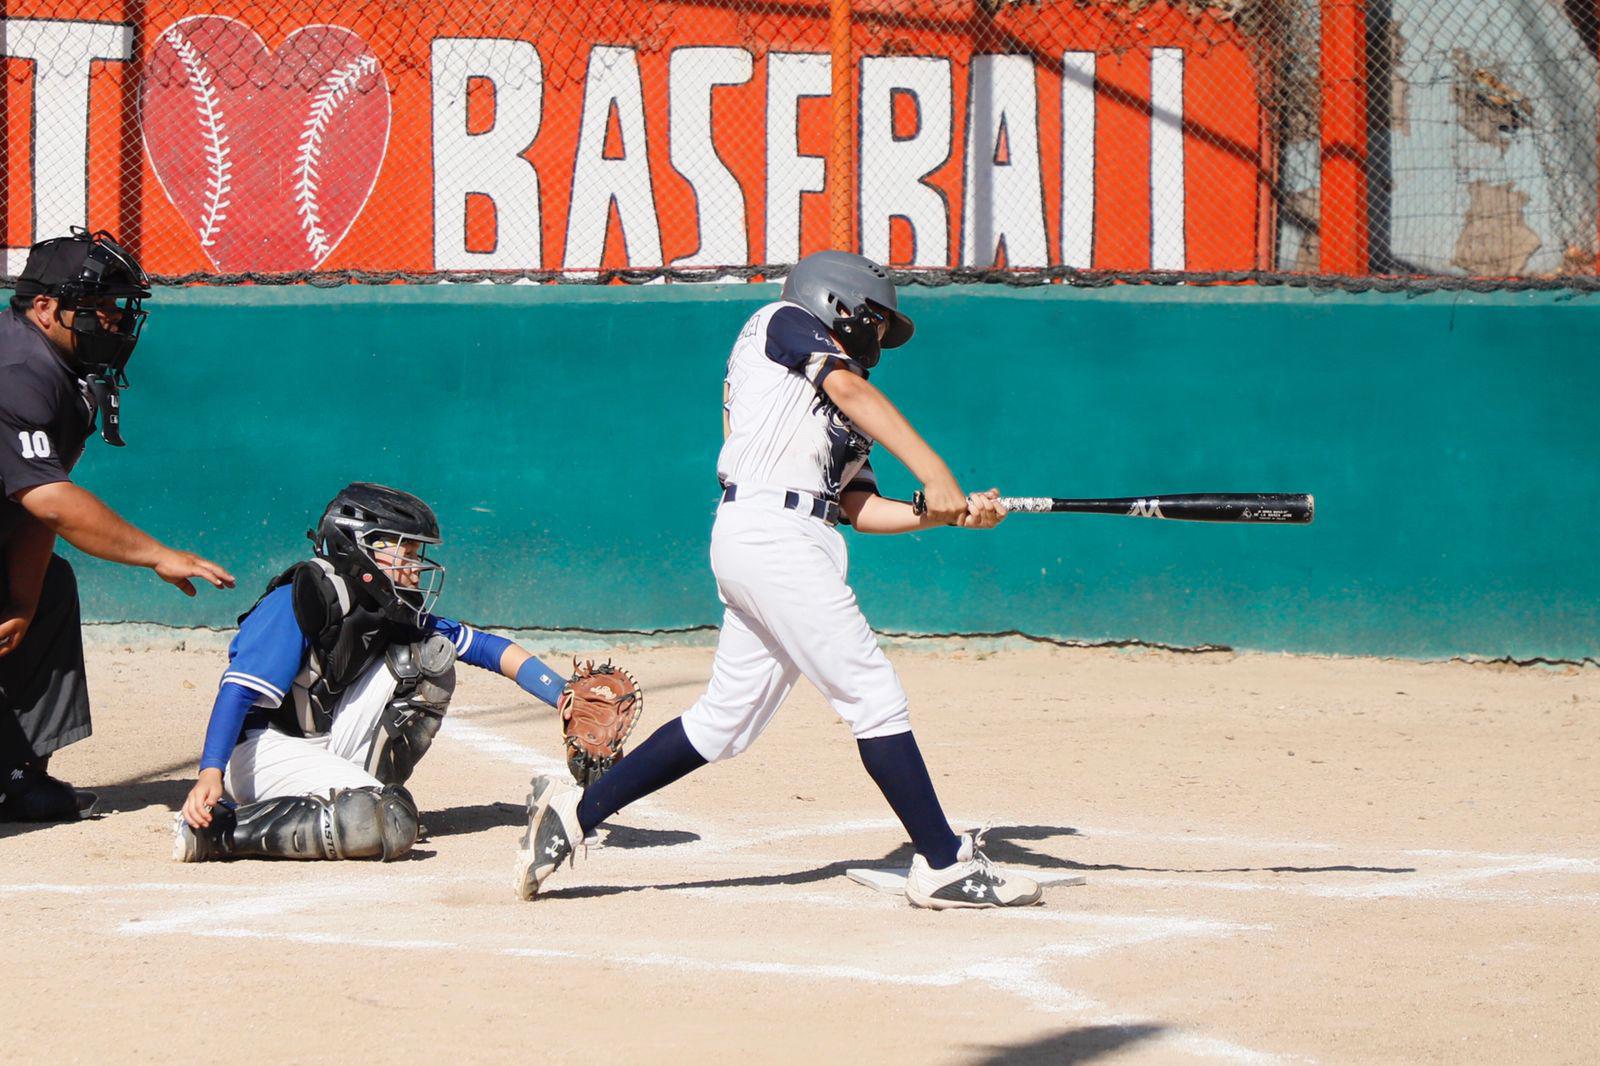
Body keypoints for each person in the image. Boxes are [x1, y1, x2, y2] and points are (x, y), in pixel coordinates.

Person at [515, 250, 1042, 909]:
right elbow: (850, 389)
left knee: (724, 722)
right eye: (873, 322)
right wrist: (937, 473)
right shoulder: (783, 321)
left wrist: (946, 515)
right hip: (772, 533)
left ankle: (574, 814)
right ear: (835, 303)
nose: (878, 339)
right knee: (872, 694)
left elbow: (860, 509)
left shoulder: (834, 406)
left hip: (791, 540)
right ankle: (942, 862)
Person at [173, 482, 577, 862]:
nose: (416, 567)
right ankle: (219, 833)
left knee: (431, 657)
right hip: (262, 753)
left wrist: (563, 694)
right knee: (385, 821)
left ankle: (359, 795)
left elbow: (485, 647)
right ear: (360, 547)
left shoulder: (384, 606)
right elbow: (237, 692)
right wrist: (211, 772)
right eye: (406, 552)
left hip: (323, 738)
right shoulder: (305, 597)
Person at [1, 229, 235, 823]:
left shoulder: (63, 372)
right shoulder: (17, 368)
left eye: (116, 307)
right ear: (45, 306)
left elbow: (31, 511)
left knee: (48, 587)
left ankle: (17, 776)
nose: (110, 321)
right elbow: (52, 499)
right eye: (96, 306)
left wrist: (22, 602)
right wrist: (156, 553)